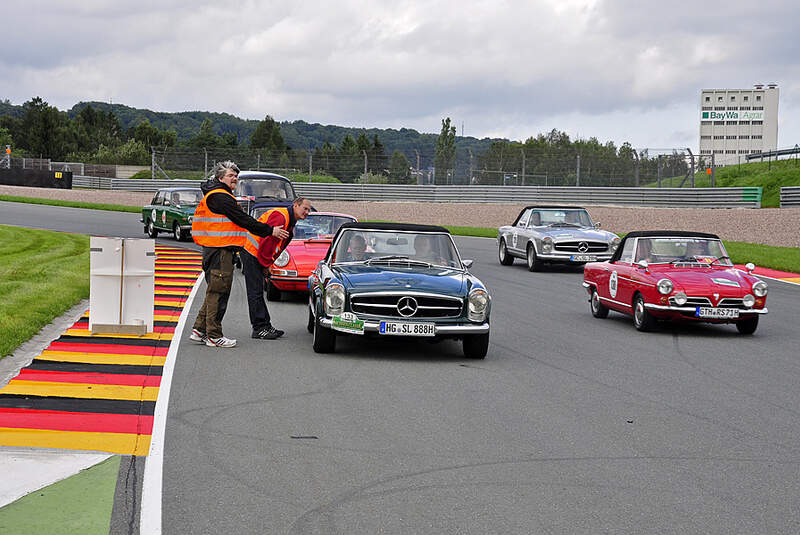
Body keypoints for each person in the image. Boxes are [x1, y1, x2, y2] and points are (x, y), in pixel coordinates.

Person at [189, 161, 288, 348]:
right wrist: (269, 230)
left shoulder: (219, 195)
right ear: (220, 178)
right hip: (219, 250)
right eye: (230, 176)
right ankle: (214, 335)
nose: (234, 178)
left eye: (235, 176)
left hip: (217, 248)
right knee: (219, 292)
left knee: (214, 290)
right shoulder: (220, 197)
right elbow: (243, 220)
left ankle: (199, 330)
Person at [240, 197, 313, 339]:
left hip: (257, 255)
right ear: (295, 205)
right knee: (255, 292)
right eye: (305, 208)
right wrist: (265, 265)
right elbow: (267, 243)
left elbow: (276, 248)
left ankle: (265, 325)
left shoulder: (290, 222)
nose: (307, 212)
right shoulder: (281, 217)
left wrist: (268, 265)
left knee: (257, 292)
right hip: (252, 253)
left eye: (309, 210)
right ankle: (260, 328)